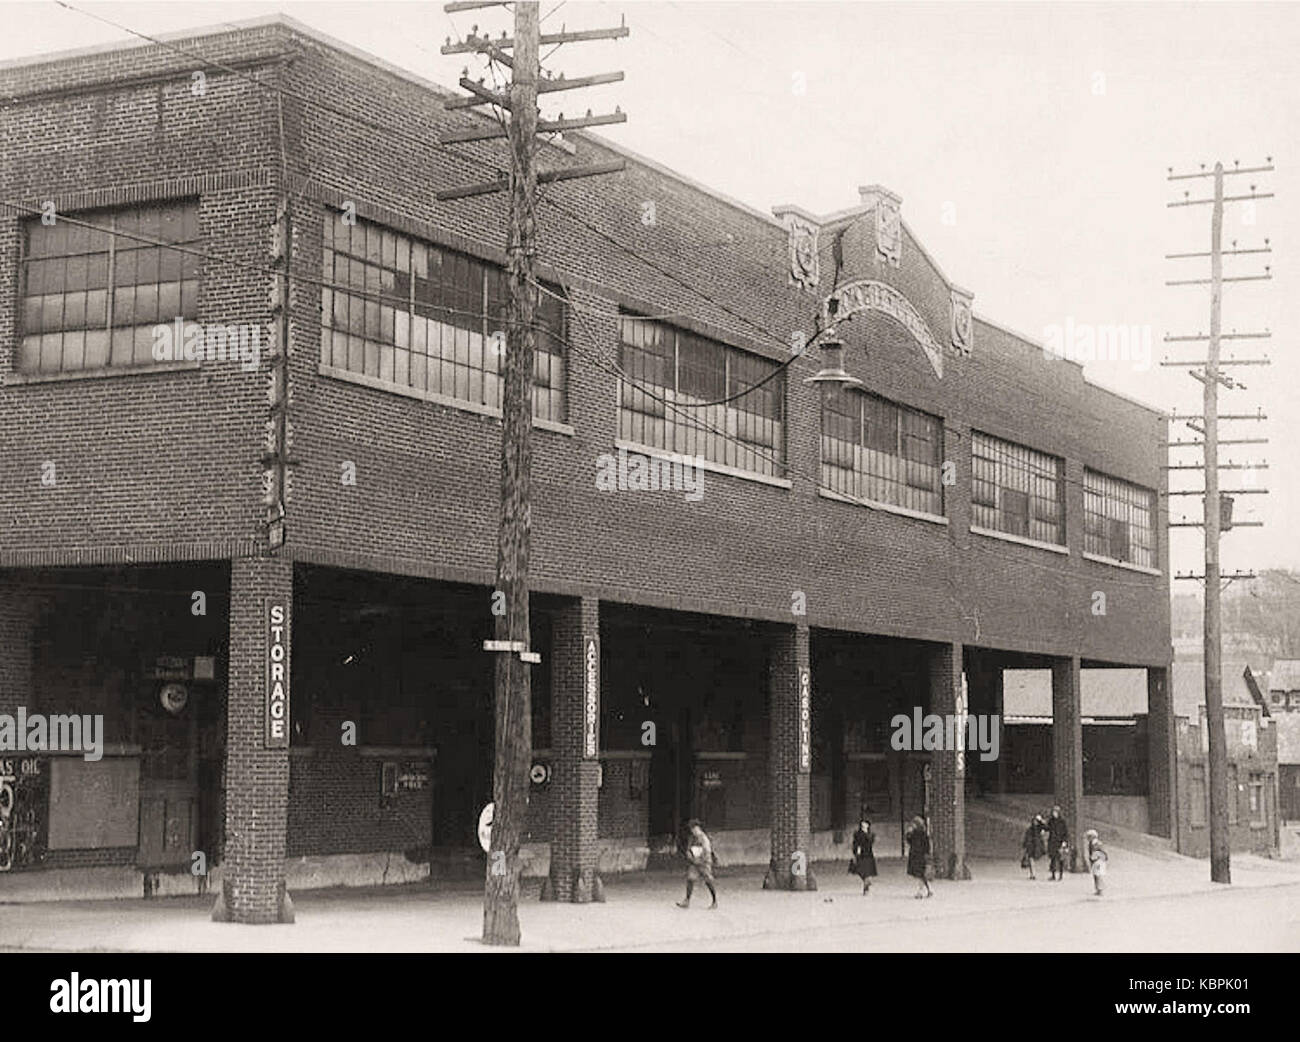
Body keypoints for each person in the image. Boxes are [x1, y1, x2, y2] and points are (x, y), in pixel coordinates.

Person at [676, 818, 718, 909]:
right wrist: (690, 856)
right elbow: (688, 849)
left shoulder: (704, 838)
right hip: (695, 862)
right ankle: (687, 900)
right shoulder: (692, 838)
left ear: (698, 828)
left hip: (703, 862)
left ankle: (714, 901)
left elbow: (707, 851)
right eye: (692, 829)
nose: (693, 831)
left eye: (694, 829)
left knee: (708, 881)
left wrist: (702, 860)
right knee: (690, 878)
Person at [905, 815, 932, 899]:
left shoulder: (923, 834)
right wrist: (908, 834)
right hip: (915, 856)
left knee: (920, 874)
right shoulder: (914, 833)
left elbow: (926, 845)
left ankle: (920, 892)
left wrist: (927, 855)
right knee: (921, 874)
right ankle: (929, 890)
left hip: (920, 856)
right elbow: (909, 841)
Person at [849, 815, 878, 894]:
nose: (864, 826)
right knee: (860, 870)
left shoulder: (871, 834)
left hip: (868, 854)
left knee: (868, 871)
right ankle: (866, 882)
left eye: (866, 824)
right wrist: (855, 853)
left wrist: (866, 833)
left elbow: (870, 842)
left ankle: (866, 886)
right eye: (863, 824)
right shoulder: (857, 834)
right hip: (860, 854)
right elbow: (855, 843)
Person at [1046, 805, 1070, 880]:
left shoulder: (1062, 822)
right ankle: (1053, 875)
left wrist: (1064, 841)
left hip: (1059, 842)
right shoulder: (1051, 821)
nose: (1054, 813)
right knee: (1053, 858)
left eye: (1056, 812)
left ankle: (1060, 875)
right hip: (1052, 842)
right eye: (1053, 812)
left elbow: (1065, 832)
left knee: (1060, 859)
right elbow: (1047, 828)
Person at [1020, 813, 1047, 879]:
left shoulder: (1039, 829)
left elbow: (1046, 827)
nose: (1035, 822)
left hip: (1035, 846)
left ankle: (1033, 874)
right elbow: (1027, 837)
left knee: (1032, 860)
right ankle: (1033, 874)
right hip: (1031, 846)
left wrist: (1042, 821)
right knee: (1031, 859)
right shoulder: (1032, 829)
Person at [1085, 829, 1108, 896]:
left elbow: (1103, 852)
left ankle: (1100, 889)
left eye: (1089, 836)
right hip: (1094, 861)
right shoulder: (1090, 844)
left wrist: (1097, 857)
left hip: (1098, 861)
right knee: (1095, 875)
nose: (1088, 838)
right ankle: (1098, 889)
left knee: (1098, 875)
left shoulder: (1098, 843)